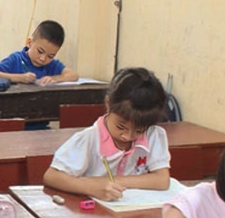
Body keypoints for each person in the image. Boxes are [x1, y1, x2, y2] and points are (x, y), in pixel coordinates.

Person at [44, 67, 170, 200]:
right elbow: (51, 176)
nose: (127, 136)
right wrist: (91, 187)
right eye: (121, 126)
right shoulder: (90, 139)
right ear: (108, 104)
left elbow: (162, 180)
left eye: (139, 131)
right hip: (92, 208)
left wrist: (111, 181)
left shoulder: (153, 134)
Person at [0, 20, 79, 85]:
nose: (43, 59)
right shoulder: (16, 59)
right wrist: (19, 78)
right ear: (29, 43)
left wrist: (54, 78)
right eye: (40, 51)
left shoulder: (51, 64)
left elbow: (73, 75)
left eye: (50, 56)